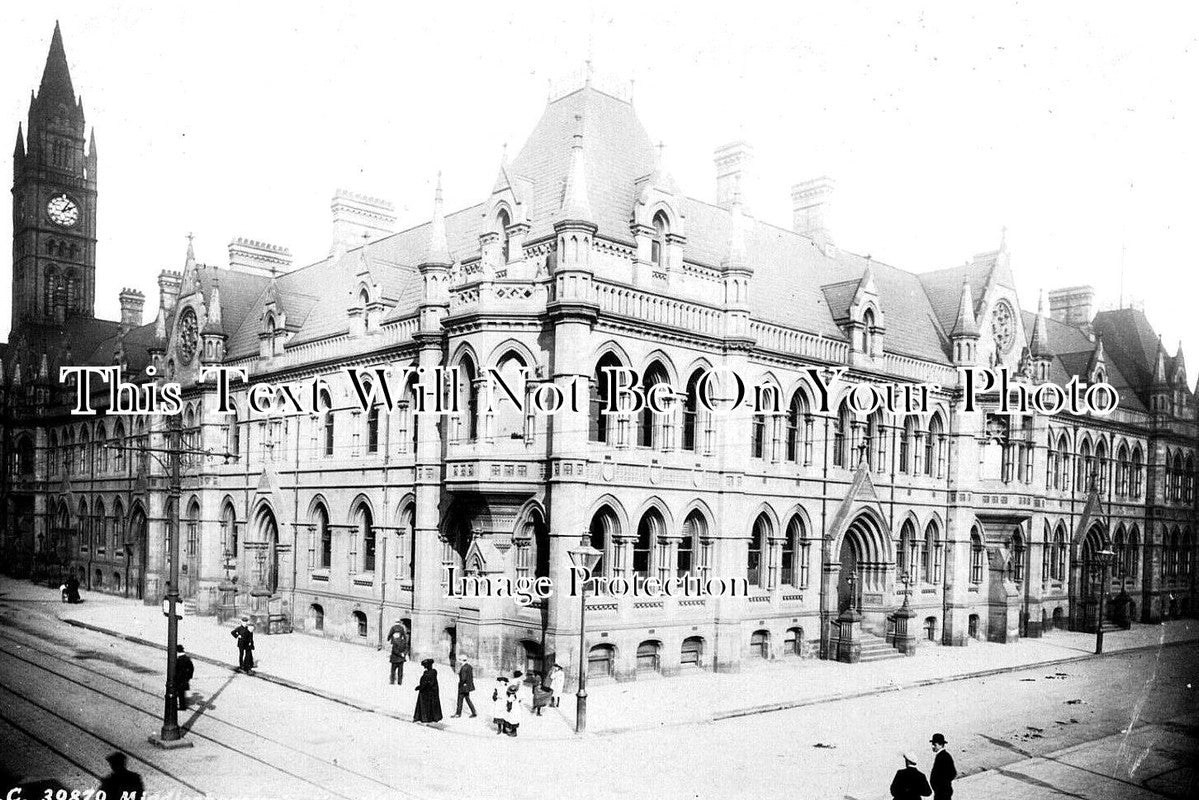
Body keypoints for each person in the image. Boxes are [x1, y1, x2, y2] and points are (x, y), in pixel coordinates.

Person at [413, 658, 442, 724]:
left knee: (425, 706)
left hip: (427, 692)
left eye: (425, 666)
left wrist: (419, 687)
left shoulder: (429, 673)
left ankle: (424, 718)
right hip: (431, 692)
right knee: (432, 705)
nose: (424, 668)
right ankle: (433, 717)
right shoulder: (432, 672)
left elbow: (427, 683)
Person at [930, 733, 957, 799]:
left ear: (941, 745)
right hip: (943, 792)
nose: (932, 746)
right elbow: (953, 773)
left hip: (941, 793)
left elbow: (953, 773)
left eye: (934, 744)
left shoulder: (942, 756)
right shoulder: (944, 755)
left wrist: (941, 786)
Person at [174, 644, 195, 710]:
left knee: (179, 693)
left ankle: (182, 706)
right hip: (184, 679)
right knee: (181, 693)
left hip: (179, 679)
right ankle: (181, 705)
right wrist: (189, 677)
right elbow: (191, 668)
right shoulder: (187, 658)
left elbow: (176, 669)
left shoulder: (179, 659)